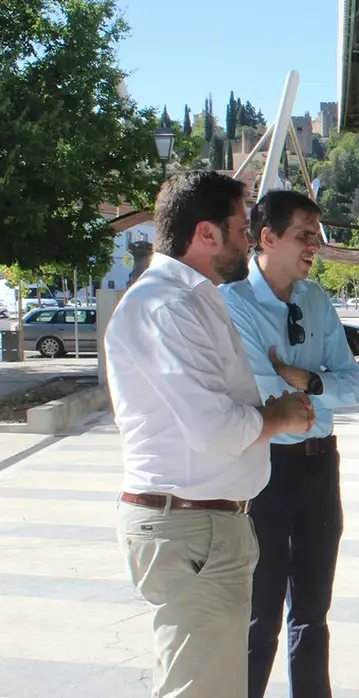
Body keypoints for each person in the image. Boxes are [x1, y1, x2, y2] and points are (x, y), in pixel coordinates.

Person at [106, 171, 315, 698]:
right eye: (242, 228)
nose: (249, 239)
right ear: (206, 234)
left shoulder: (193, 298)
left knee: (214, 685)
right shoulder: (166, 305)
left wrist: (261, 415)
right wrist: (279, 419)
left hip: (202, 526)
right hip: (189, 528)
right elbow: (214, 428)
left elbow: (212, 413)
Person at [220, 190, 359, 698]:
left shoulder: (317, 300)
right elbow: (265, 394)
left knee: (312, 611)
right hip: (266, 469)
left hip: (320, 468)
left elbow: (353, 385)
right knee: (260, 614)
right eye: (305, 235)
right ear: (267, 237)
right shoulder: (233, 304)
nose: (316, 246)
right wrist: (302, 388)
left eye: (318, 235)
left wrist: (303, 379)